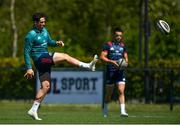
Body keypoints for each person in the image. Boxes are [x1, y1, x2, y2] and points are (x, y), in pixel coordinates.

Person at [24, 12, 98, 120]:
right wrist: (29, 68)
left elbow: (49, 42)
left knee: (46, 87)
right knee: (65, 56)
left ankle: (33, 110)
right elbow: (26, 52)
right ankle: (87, 66)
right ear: (35, 22)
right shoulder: (30, 35)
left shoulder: (44, 31)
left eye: (44, 22)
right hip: (39, 59)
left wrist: (56, 43)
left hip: (45, 60)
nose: (43, 24)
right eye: (41, 22)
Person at [100, 27, 128, 117]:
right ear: (114, 35)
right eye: (117, 35)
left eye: (120, 36)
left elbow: (126, 58)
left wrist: (125, 63)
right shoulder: (108, 45)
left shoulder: (123, 46)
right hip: (110, 72)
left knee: (121, 91)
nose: (118, 37)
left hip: (120, 72)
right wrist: (112, 62)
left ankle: (123, 111)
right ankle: (105, 109)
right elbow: (102, 57)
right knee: (109, 94)